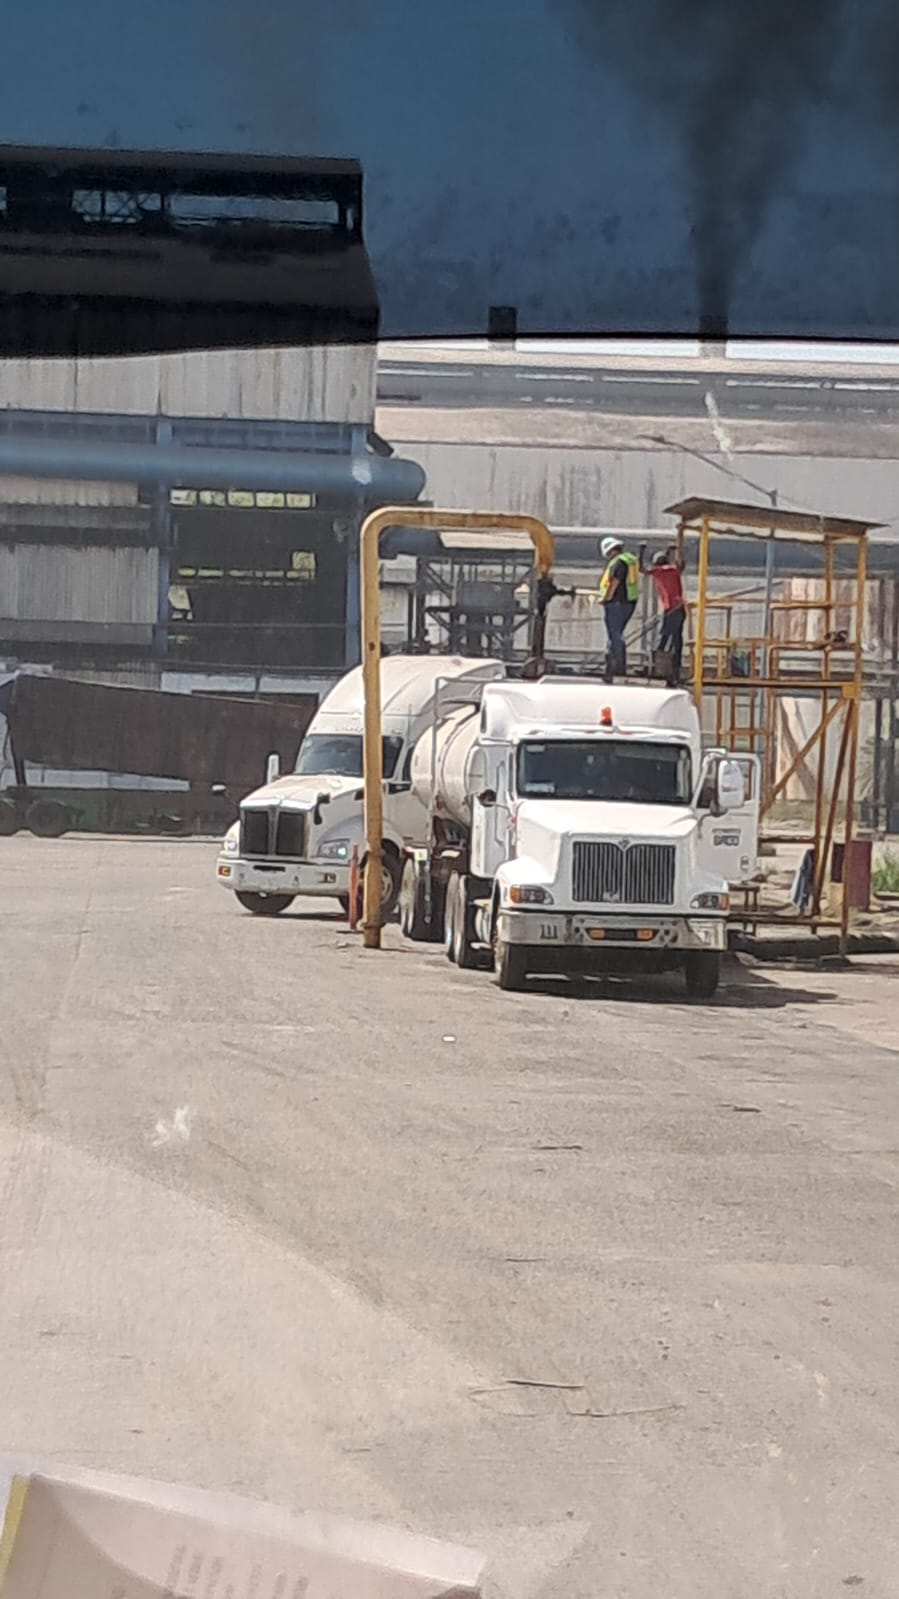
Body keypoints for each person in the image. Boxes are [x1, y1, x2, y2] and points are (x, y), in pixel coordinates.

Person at [641, 543, 686, 684]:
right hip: (680, 608)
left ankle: (658, 667)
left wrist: (641, 551)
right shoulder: (673, 569)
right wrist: (672, 551)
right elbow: (681, 564)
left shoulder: (658, 571)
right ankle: (676, 666)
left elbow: (641, 569)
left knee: (664, 637)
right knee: (677, 638)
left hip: (671, 609)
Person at [597, 535, 639, 681]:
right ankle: (614, 664)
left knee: (614, 635)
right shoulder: (631, 560)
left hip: (616, 603)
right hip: (629, 602)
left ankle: (617, 667)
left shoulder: (619, 563)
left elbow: (614, 582)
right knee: (616, 635)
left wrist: (605, 598)